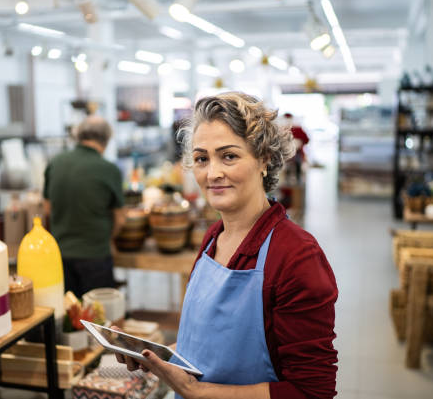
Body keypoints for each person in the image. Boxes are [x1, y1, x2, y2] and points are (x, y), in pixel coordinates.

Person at [116, 92, 338, 398]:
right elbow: (207, 341)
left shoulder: (296, 257)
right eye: (202, 158)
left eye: (229, 156)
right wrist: (158, 356)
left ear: (265, 159)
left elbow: (311, 391)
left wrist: (200, 391)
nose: (212, 173)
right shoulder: (213, 239)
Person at [43, 116, 125, 298]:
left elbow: (47, 210)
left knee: (68, 316)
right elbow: (120, 219)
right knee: (98, 319)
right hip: (95, 257)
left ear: (78, 136)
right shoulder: (109, 169)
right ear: (106, 140)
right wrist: (110, 238)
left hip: (60, 256)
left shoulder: (55, 163)